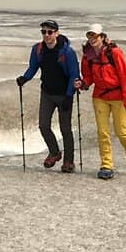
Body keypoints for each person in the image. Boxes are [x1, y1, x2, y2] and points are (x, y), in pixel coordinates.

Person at [75, 23, 126, 180]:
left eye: (95, 36)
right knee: (102, 132)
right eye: (89, 36)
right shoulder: (88, 56)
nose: (92, 39)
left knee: (120, 130)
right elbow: (89, 76)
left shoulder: (115, 53)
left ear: (102, 37)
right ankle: (106, 165)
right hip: (100, 97)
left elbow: (124, 77)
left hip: (118, 97)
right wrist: (83, 84)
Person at [16, 19, 81, 173]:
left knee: (65, 129)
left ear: (56, 33)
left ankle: (69, 162)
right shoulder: (38, 49)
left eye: (50, 32)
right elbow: (33, 67)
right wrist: (25, 78)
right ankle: (54, 152)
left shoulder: (67, 52)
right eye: (43, 32)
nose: (46, 35)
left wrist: (68, 95)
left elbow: (74, 75)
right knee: (43, 126)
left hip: (64, 94)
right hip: (47, 93)